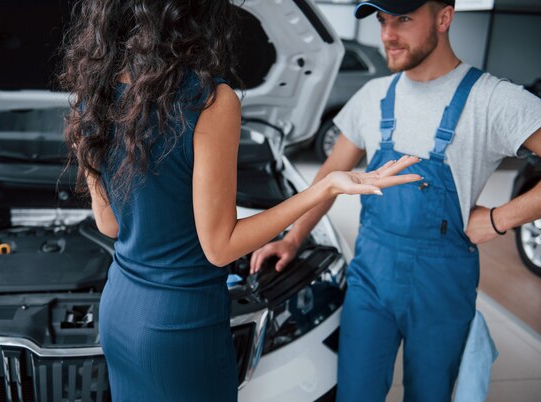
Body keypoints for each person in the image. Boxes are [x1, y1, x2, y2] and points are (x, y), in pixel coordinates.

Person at [58, 1, 421, 401]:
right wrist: (323, 188)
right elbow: (220, 247)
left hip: (120, 309)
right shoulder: (209, 100)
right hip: (179, 324)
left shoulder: (95, 92)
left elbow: (109, 224)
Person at [251, 1, 541, 401]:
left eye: (403, 18)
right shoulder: (372, 96)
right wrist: (294, 236)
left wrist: (497, 219)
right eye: (383, 20)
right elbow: (328, 179)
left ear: (444, 17)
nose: (387, 34)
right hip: (371, 280)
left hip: (441, 287)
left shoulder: (491, 99)